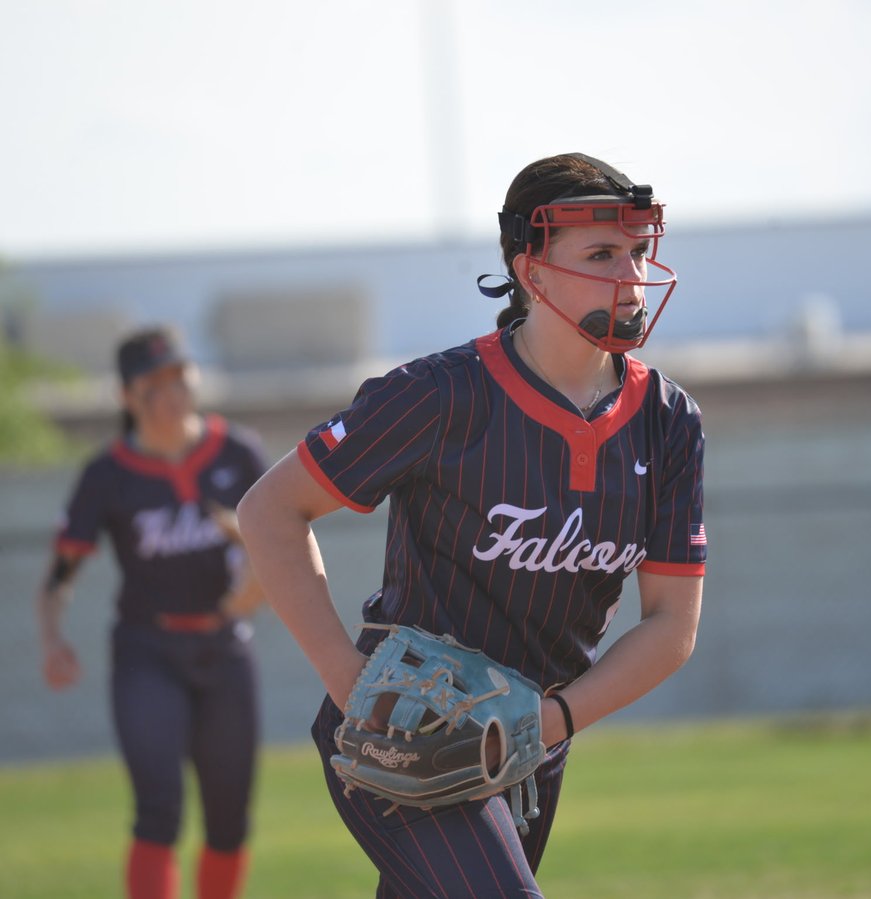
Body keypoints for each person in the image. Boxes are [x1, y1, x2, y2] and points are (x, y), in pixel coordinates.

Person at [237, 152, 707, 897]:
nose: (631, 273)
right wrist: (350, 684)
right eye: (601, 253)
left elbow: (670, 625)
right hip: (408, 729)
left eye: (637, 251)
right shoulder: (440, 394)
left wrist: (545, 724)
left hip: (527, 748)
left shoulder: (667, 421)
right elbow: (268, 509)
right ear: (532, 271)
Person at [36, 326, 269, 899]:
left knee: (229, 818)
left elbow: (285, 543)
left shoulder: (237, 452)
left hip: (225, 646)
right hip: (148, 650)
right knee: (158, 808)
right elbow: (61, 573)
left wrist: (255, 579)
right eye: (152, 383)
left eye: (179, 378)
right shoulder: (108, 474)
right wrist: (52, 637)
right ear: (126, 396)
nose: (170, 393)